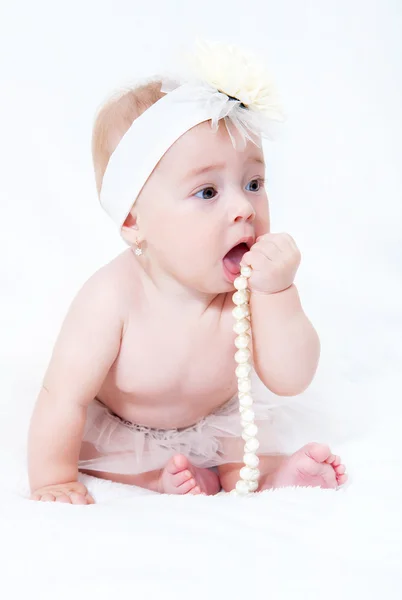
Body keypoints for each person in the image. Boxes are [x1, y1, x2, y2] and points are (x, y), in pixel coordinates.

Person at [28, 40, 347, 504]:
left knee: (245, 439)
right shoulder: (111, 298)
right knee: (89, 444)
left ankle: (266, 474)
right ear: (135, 223)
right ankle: (155, 479)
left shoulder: (250, 289)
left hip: (216, 417)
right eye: (207, 192)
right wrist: (53, 479)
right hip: (124, 425)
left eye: (253, 183)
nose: (244, 207)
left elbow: (291, 378)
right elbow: (64, 397)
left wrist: (279, 293)